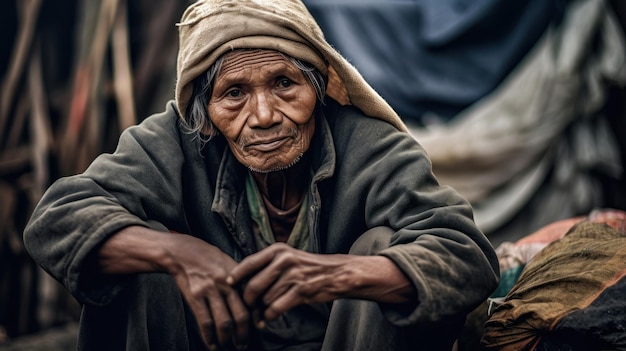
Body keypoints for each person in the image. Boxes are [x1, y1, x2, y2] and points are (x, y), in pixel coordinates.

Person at [23, 0, 499, 350]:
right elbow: (57, 220)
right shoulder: (178, 140)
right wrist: (178, 253)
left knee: (377, 250)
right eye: (234, 93)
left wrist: (339, 275)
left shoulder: (367, 145)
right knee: (143, 261)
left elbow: (467, 257)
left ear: (319, 88)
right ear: (206, 112)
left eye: (284, 83)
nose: (265, 114)